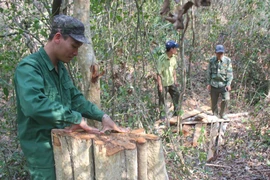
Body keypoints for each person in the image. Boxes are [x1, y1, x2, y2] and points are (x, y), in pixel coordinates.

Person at [14, 15, 129, 180]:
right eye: (74, 46)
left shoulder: (60, 68)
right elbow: (34, 105)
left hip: (66, 147)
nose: (76, 53)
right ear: (58, 37)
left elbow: (76, 99)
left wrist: (103, 117)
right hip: (43, 154)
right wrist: (74, 117)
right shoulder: (29, 68)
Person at [207, 44, 233, 119]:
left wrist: (228, 84)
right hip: (214, 84)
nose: (220, 55)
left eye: (221, 53)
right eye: (218, 53)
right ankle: (215, 115)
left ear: (223, 53)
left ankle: (223, 114)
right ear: (215, 53)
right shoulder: (212, 60)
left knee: (226, 99)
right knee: (214, 101)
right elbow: (209, 72)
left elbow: (230, 73)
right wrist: (209, 83)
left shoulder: (227, 61)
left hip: (223, 84)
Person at [157, 40, 180, 118]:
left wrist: (175, 81)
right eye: (175, 48)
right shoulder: (161, 59)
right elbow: (159, 73)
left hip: (171, 82)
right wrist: (160, 85)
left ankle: (176, 114)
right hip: (163, 84)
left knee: (177, 95)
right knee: (162, 101)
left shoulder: (173, 58)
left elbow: (174, 70)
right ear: (171, 49)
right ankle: (162, 117)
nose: (176, 50)